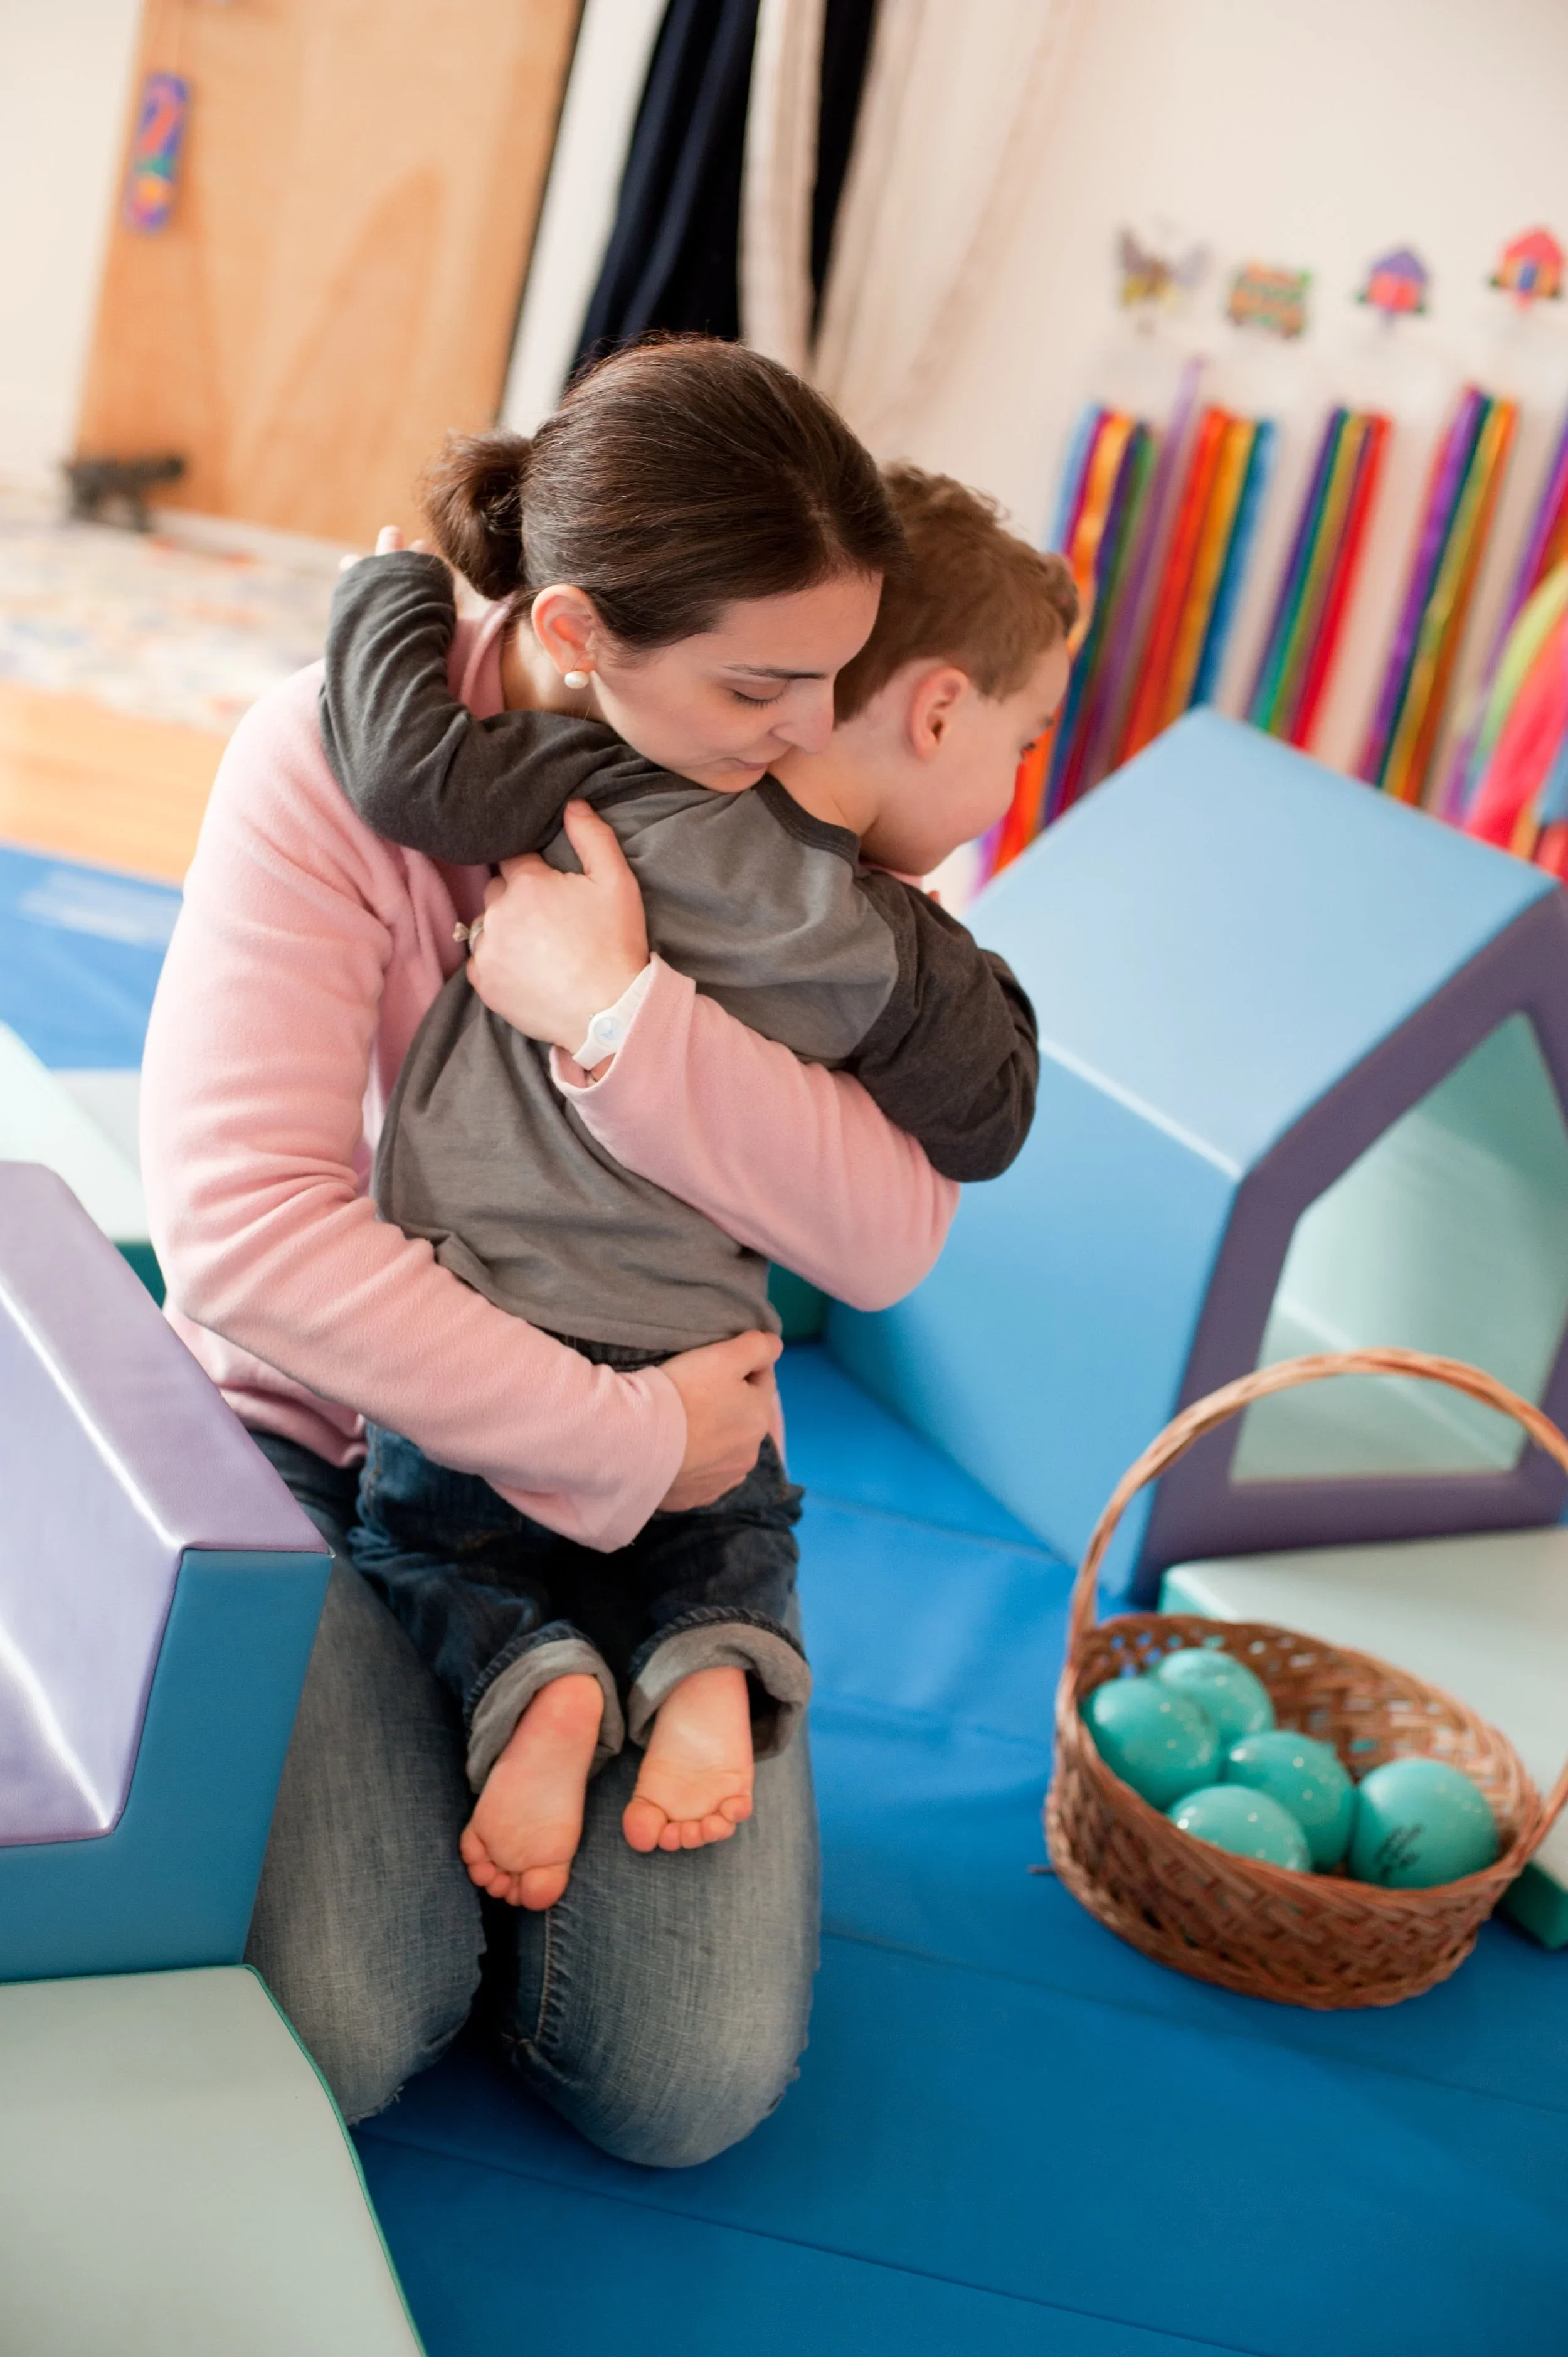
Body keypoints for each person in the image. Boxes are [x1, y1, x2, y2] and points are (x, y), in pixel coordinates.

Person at [140, 340, 959, 2162]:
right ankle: (496, 1713)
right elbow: (248, 1233)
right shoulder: (327, 766)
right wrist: (619, 1443)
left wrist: (620, 1019)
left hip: (665, 1461)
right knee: (344, 2017)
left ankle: (551, 1709)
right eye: (765, 683)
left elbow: (892, 1232)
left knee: (677, 2078)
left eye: (832, 676)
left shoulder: (767, 805)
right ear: (578, 629)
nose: (813, 731)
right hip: (339, 1431)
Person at [320, 415, 1076, 1917]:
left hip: (478, 1321)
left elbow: (401, 765)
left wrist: (380, 599)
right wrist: (964, 983)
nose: (1018, 776)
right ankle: (711, 1664)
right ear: (935, 713)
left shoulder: (599, 788)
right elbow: (988, 1120)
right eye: (1026, 740)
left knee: (423, 1542)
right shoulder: (887, 948)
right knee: (734, 1529)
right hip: (699, 1362)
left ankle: (531, 1674)